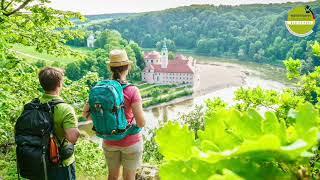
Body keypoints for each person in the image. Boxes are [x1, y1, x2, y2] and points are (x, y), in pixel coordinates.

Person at [83, 49, 146, 180]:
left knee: (112, 177)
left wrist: (102, 121)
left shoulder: (101, 89)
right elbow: (141, 123)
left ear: (110, 68)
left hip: (109, 139)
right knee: (129, 178)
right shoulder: (132, 90)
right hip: (131, 142)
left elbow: (85, 114)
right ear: (128, 67)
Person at [38, 67, 80, 180]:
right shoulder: (65, 109)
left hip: (38, 162)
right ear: (59, 84)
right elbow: (72, 138)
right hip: (61, 164)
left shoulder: (31, 106)